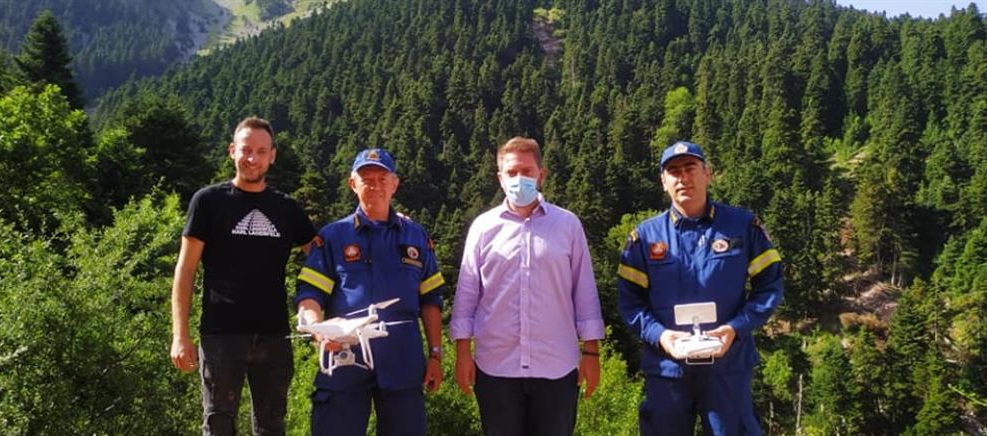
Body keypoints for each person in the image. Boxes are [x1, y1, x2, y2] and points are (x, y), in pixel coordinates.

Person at [616, 141, 784, 435]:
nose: (683, 177)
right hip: (667, 369)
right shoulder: (645, 237)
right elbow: (630, 302)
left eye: (690, 168)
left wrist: (736, 328)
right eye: (674, 171)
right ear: (663, 182)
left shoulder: (742, 225)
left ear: (707, 174)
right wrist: (661, 336)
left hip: (728, 368)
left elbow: (770, 285)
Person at [170, 116, 316, 435]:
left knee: (272, 426)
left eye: (261, 151)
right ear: (232, 150)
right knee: (218, 425)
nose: (253, 158)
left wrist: (386, 220)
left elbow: (323, 255)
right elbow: (186, 269)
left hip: (274, 335)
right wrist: (180, 335)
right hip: (221, 335)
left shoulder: (287, 208)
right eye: (246, 149)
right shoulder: (208, 202)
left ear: (272, 156)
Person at [450, 136, 605, 436]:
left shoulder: (568, 225)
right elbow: (467, 292)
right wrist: (462, 352)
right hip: (495, 366)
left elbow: (584, 290)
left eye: (526, 171)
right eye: (511, 172)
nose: (519, 178)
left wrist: (591, 353)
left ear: (541, 174)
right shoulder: (483, 227)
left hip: (557, 366)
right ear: (500, 177)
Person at [294, 147, 445, 436]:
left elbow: (431, 300)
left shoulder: (416, 236)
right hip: (345, 357)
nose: (375, 185)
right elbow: (309, 293)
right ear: (353, 184)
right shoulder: (332, 237)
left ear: (394, 184)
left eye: (382, 179)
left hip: (403, 360)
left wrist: (436, 355)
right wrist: (318, 331)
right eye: (366, 179)